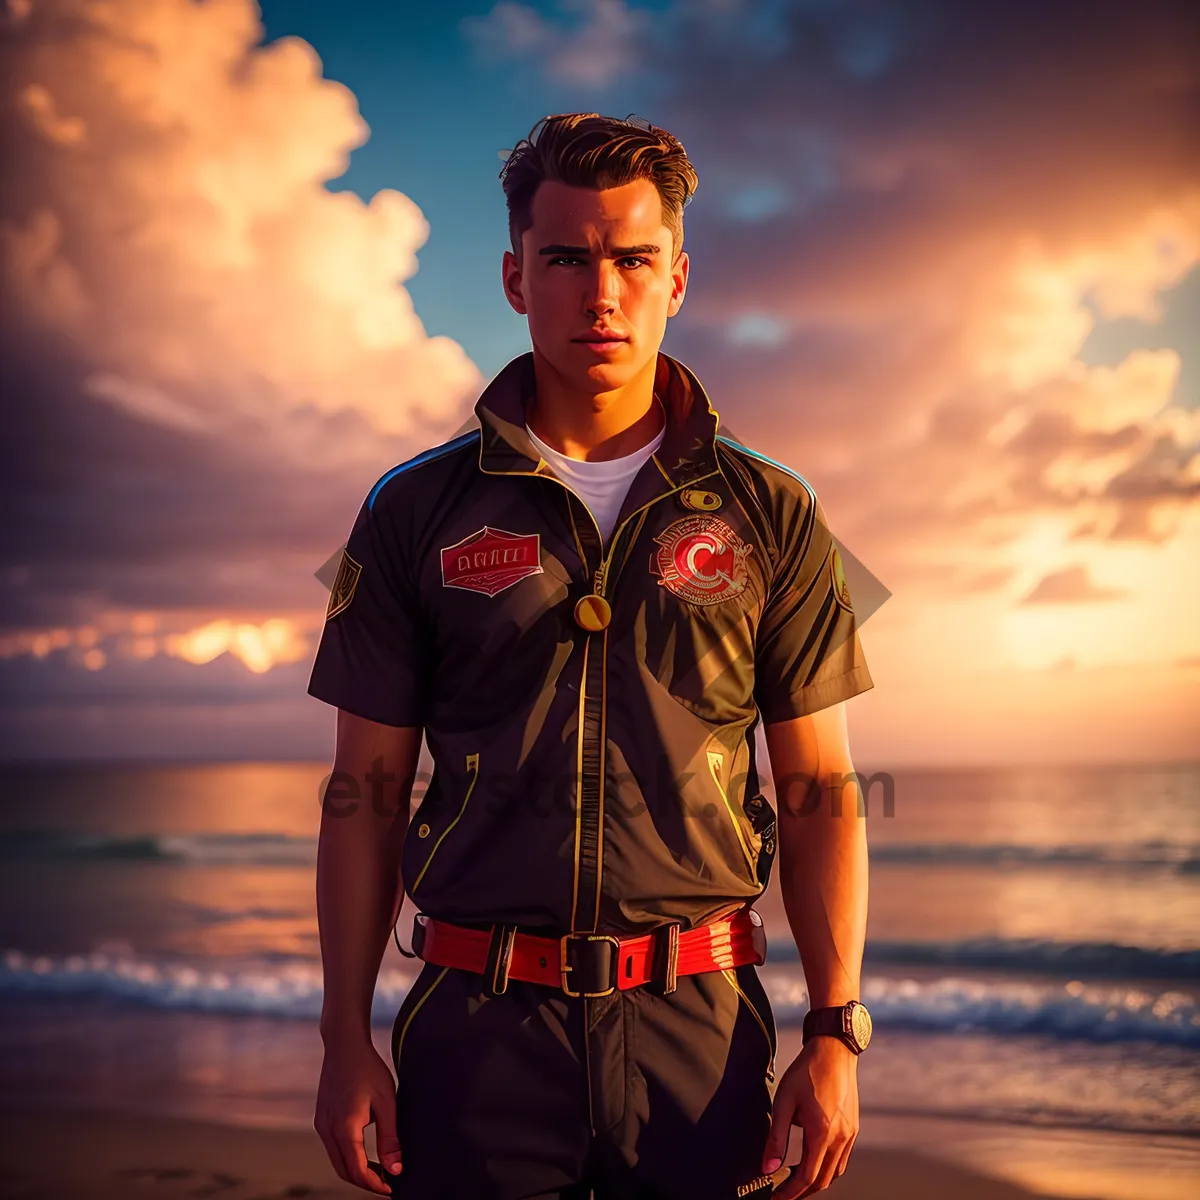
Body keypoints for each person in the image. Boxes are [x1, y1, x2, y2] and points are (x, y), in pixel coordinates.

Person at [308, 112, 875, 1200]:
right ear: (518, 278)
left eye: (632, 259)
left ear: (679, 277)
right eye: (566, 258)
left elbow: (820, 789)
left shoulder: (779, 509)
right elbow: (364, 792)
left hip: (699, 1035)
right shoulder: (407, 508)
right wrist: (342, 1038)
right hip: (475, 1034)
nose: (600, 292)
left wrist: (836, 1037)